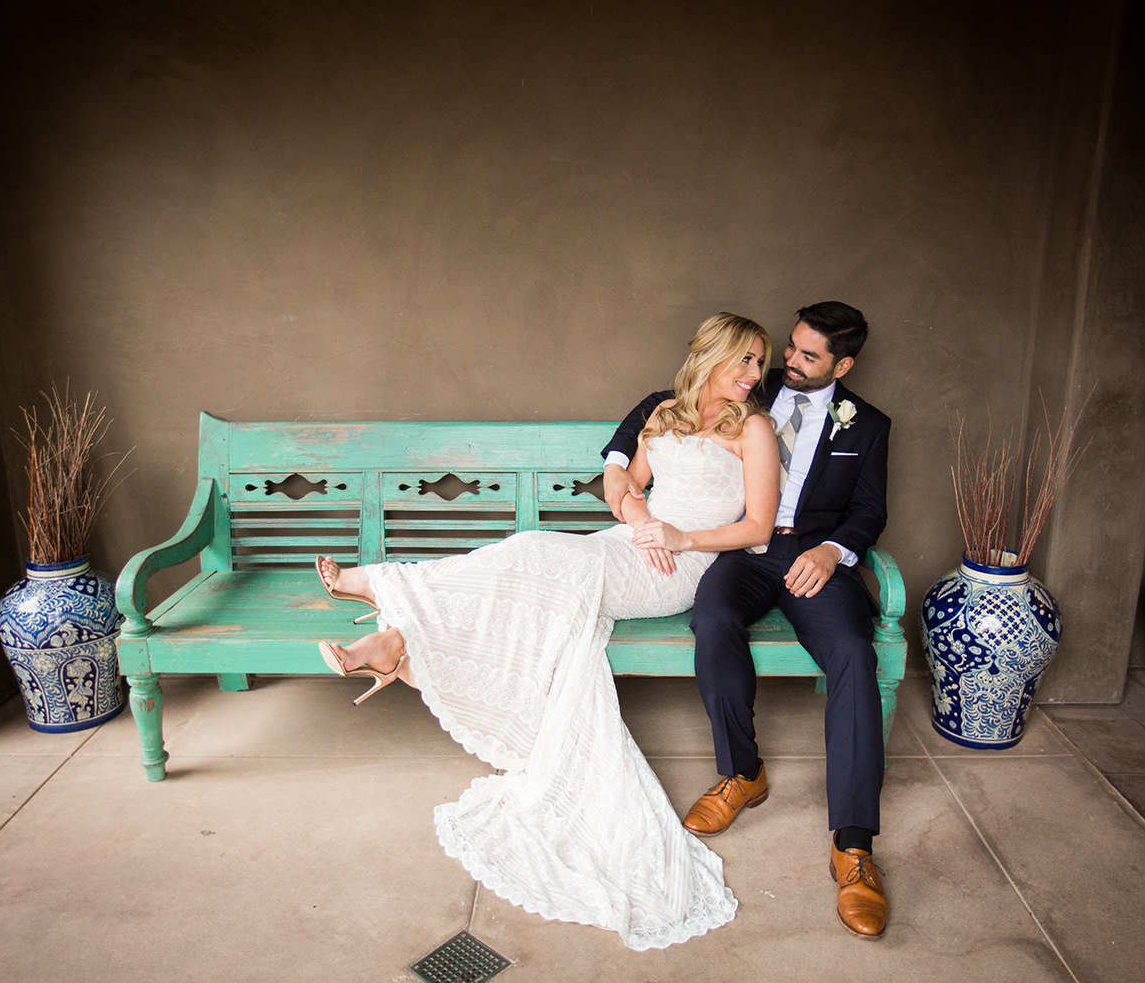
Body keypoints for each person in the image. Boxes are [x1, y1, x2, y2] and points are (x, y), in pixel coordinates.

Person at [313, 313, 780, 951]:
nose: (756, 374)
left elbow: (757, 527)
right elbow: (627, 485)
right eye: (745, 360)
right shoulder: (666, 413)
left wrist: (678, 536)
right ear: (712, 355)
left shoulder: (753, 427)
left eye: (760, 362)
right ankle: (397, 637)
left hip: (682, 565)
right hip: (628, 543)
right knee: (535, 554)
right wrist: (641, 513)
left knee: (537, 554)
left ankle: (389, 600)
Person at [600, 301, 892, 938]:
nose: (788, 362)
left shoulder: (867, 425)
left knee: (852, 652)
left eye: (807, 356)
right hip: (741, 553)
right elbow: (654, 420)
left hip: (813, 557)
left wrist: (831, 550)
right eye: (789, 348)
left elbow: (870, 513)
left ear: (842, 365)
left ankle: (854, 844)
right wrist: (626, 480)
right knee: (714, 617)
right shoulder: (745, 386)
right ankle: (742, 773)